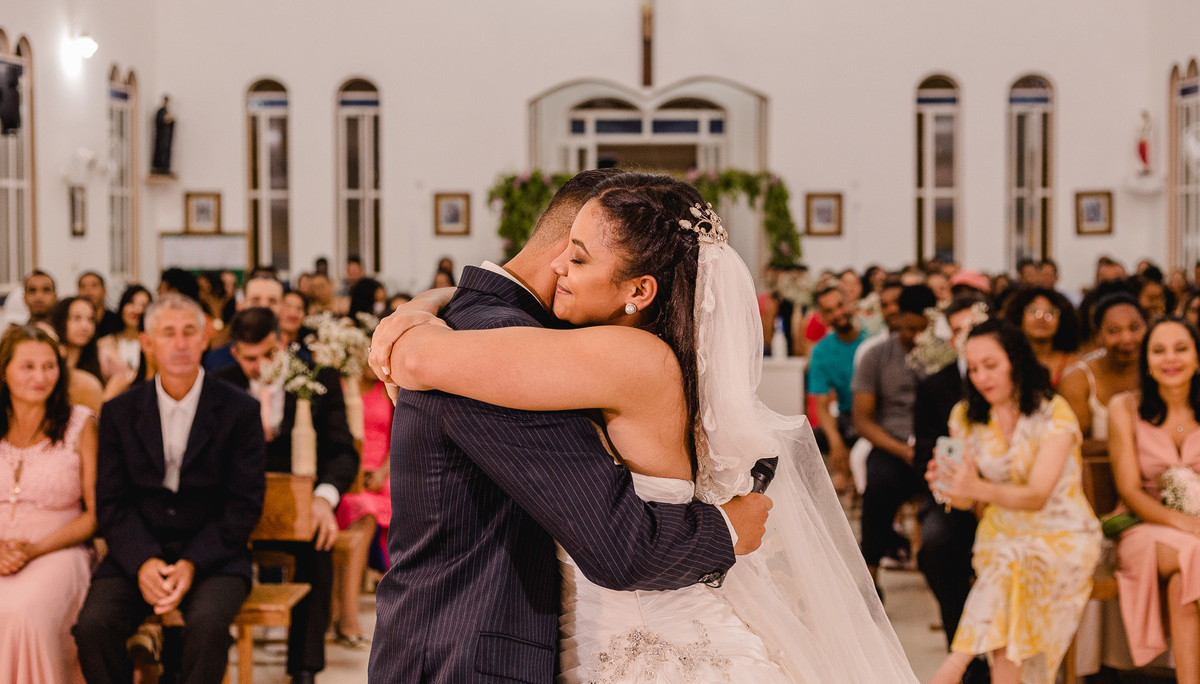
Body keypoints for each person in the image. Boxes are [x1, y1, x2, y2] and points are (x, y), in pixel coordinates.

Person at [376, 172, 917, 683]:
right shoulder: (627, 352)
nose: (561, 266)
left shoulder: (619, 356)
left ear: (640, 287)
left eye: (580, 257)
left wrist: (411, 323)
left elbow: (419, 361)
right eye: (570, 250)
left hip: (641, 635)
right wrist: (433, 302)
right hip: (482, 646)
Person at [73, 294, 266, 684]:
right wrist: (143, 561)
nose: (180, 344)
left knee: (209, 627)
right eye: (168, 334)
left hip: (215, 555)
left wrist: (192, 562)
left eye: (189, 332)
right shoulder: (119, 412)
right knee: (94, 627)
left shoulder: (240, 409)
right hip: (136, 552)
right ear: (148, 343)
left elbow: (244, 504)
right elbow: (112, 501)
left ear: (206, 338)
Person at [929, 320, 1101, 684]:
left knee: (1011, 568)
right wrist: (947, 487)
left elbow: (1038, 496)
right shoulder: (964, 416)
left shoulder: (1054, 413)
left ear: (1016, 361)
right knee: (1010, 568)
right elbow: (962, 502)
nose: (981, 377)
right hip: (1001, 533)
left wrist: (973, 487)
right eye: (973, 368)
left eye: (990, 365)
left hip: (1064, 533)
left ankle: (953, 666)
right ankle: (964, 670)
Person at [216, 307, 358, 684]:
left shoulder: (318, 378)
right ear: (234, 353)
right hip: (232, 509)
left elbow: (343, 451)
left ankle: (304, 668)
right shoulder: (219, 384)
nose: (261, 366)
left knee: (319, 543)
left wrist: (323, 499)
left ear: (282, 343)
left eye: (268, 355)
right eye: (249, 358)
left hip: (296, 506)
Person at [0, 325, 97, 684]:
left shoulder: (80, 424)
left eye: (49, 366)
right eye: (28, 366)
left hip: (59, 549)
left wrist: (34, 549)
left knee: (24, 614)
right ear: (4, 370)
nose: (41, 377)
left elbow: (95, 515)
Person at [1108, 317, 1200, 677]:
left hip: (1191, 540)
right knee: (1193, 552)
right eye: (1158, 351)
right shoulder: (1124, 408)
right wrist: (1188, 524)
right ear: (1146, 361)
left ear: (1197, 356)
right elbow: (1129, 490)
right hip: (1143, 527)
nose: (1170, 359)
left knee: (1185, 579)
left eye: (1181, 348)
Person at [912, 296, 990, 683]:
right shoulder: (935, 385)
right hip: (952, 493)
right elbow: (925, 449)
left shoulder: (1019, 375)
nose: (968, 337)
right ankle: (963, 649)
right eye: (959, 330)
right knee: (937, 547)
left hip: (1010, 492)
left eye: (975, 328)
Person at [853, 284, 937, 579]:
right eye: (910, 328)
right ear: (898, 318)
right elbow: (862, 419)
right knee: (878, 486)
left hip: (933, 444)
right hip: (891, 444)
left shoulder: (943, 355)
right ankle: (870, 572)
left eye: (922, 330)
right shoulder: (876, 356)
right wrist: (901, 449)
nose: (915, 336)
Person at [331, 362, 392, 649]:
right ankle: (346, 617)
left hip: (382, 476)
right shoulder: (342, 389)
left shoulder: (389, 390)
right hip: (349, 478)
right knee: (363, 514)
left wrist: (380, 473)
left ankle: (345, 614)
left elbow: (399, 439)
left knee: (367, 513)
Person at [1058, 293, 1146, 448]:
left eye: (1134, 328)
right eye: (1113, 331)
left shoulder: (1163, 371)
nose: (1126, 338)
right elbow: (1073, 444)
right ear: (1098, 336)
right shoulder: (1077, 379)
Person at [807, 285, 866, 492]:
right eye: (829, 310)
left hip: (877, 417)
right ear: (823, 317)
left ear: (850, 304)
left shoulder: (872, 339)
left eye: (840, 305)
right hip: (848, 418)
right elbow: (821, 405)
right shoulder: (821, 351)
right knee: (804, 442)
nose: (838, 313)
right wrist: (835, 441)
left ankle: (847, 477)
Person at [1002, 286, 1080, 386]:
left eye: (1051, 312)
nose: (1042, 318)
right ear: (1018, 317)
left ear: (1063, 320)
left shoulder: (1075, 364)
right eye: (1033, 311)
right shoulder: (1006, 360)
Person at [96, 284, 153, 396]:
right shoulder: (104, 343)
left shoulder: (153, 344)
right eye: (131, 302)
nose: (137, 310)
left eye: (144, 305)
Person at [77, 271, 123, 338]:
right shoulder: (73, 322)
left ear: (104, 291)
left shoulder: (118, 321)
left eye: (94, 285)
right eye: (83, 286)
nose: (88, 290)